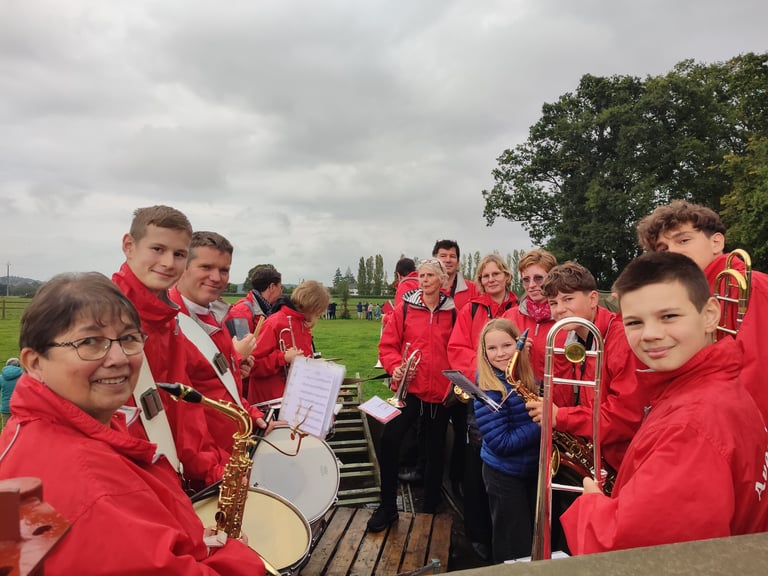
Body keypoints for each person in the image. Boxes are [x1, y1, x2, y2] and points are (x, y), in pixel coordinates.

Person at [0, 272, 266, 575]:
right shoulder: (93, 483)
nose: (118, 357)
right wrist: (239, 558)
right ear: (34, 363)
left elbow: (57, 556)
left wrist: (189, 538)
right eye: (89, 342)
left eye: (128, 338)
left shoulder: (29, 434)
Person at [561, 252, 768, 554]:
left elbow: (635, 551)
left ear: (710, 314)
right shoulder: (721, 384)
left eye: (668, 316)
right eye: (634, 322)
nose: (651, 335)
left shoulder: (690, 429)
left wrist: (591, 504)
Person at [112, 205, 228, 489]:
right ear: (129, 246)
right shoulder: (104, 315)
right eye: (157, 249)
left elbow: (182, 407)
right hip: (129, 478)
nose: (168, 263)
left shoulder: (169, 319)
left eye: (178, 254)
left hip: (166, 473)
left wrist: (212, 466)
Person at [636, 199, 768, 424]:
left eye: (684, 240)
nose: (674, 253)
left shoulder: (748, 285)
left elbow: (756, 376)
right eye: (664, 249)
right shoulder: (691, 296)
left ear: (716, 242)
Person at [526, 262, 643, 473]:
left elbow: (624, 419)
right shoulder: (566, 338)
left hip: (626, 463)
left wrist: (560, 416)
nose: (560, 309)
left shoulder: (621, 341)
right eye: (553, 303)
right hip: (598, 455)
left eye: (568, 299)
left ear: (593, 299)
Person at [368, 259, 456, 531]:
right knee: (390, 440)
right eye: (422, 276)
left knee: (434, 450)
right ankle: (388, 506)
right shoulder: (404, 309)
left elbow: (459, 348)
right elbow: (388, 346)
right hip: (409, 391)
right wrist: (395, 368)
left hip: (440, 394)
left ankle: (429, 509)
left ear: (443, 280)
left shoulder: (454, 312)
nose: (426, 280)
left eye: (432, 275)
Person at [168, 231, 273, 454]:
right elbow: (181, 416)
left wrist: (253, 416)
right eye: (206, 267)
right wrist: (216, 469)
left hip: (231, 448)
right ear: (183, 267)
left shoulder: (216, 315)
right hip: (209, 463)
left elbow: (220, 389)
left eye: (224, 270)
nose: (217, 277)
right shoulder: (170, 326)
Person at [446, 253, 518, 560]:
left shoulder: (519, 309)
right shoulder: (470, 309)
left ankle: (507, 535)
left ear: (505, 275)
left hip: (515, 393)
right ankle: (478, 533)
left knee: (510, 463)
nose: (491, 279)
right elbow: (457, 347)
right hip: (482, 392)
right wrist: (485, 373)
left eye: (495, 274)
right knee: (478, 462)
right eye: (485, 275)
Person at [474, 318, 540, 563]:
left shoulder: (525, 377)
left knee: (530, 539)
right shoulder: (486, 389)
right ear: (484, 352)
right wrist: (542, 424)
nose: (500, 354)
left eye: (507, 345)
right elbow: (501, 442)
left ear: (519, 346)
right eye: (492, 348)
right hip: (503, 476)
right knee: (513, 545)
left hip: (528, 471)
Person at [250, 280, 331, 406]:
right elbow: (253, 365)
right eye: (319, 310)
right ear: (313, 307)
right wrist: (282, 358)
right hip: (271, 403)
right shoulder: (274, 323)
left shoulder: (303, 324)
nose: (319, 314)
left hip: (293, 399)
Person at [227, 264, 283, 402]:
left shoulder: (266, 311)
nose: (281, 292)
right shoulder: (241, 312)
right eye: (280, 287)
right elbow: (241, 355)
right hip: (246, 391)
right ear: (271, 287)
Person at [502, 248, 558, 383]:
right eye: (526, 280)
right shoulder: (509, 317)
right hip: (519, 399)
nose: (531, 285)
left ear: (552, 278)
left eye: (538, 278)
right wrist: (513, 353)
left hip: (560, 401)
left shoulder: (566, 317)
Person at [432, 239, 480, 312]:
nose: (448, 260)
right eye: (443, 256)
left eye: (452, 256)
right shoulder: (424, 288)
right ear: (434, 260)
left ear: (458, 262)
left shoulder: (474, 289)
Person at [1, 358, 22, 431]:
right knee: (20, 429)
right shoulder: (24, 377)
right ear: (18, 366)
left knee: (5, 429)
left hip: (6, 407)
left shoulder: (1, 378)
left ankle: (5, 442)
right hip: (20, 407)